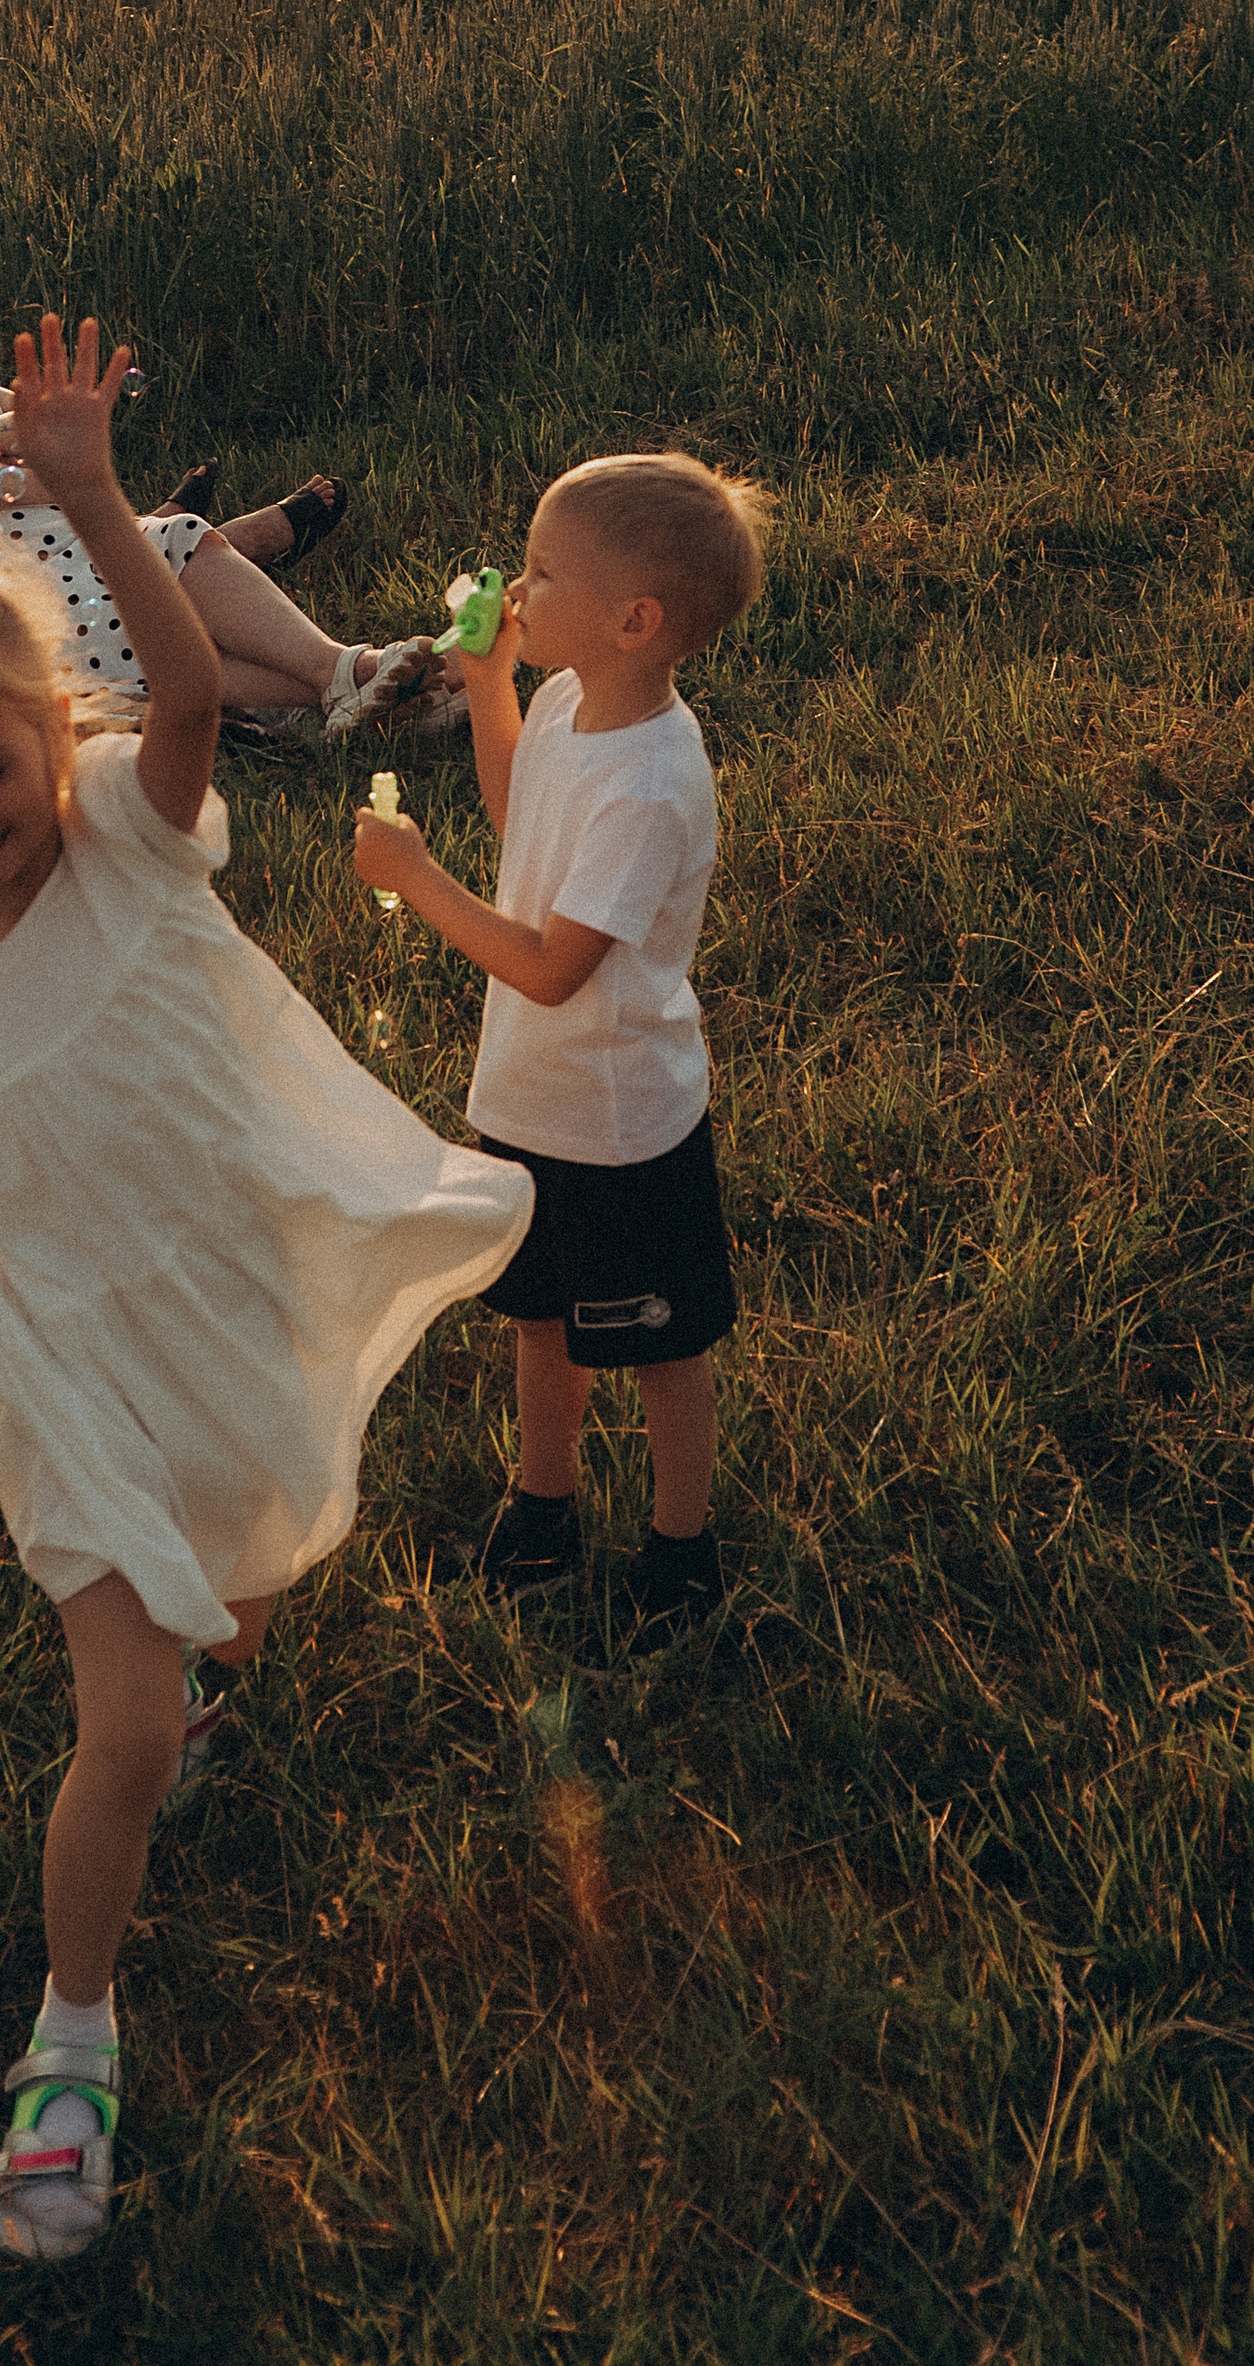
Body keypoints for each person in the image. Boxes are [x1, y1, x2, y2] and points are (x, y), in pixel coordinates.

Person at [0, 320, 532, 2263]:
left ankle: (213, 1653)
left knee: (239, 1552)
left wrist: (86, 493)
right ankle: (67, 2044)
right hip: (65, 1346)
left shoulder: (138, 846)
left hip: (219, 1287)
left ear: (41, 730)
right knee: (132, 1721)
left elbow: (181, 675)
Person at [352, 452, 770, 1640]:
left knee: (658, 1341)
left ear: (634, 620)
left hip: (621, 1117)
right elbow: (516, 808)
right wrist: (491, 683)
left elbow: (549, 967)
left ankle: (680, 1547)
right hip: (534, 1101)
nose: (515, 586)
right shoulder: (574, 705)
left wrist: (417, 880)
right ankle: (546, 1500)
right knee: (542, 1315)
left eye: (541, 571)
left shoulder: (650, 783)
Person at [0, 274, 433, 733]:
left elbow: (66, 437)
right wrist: (18, 454)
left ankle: (341, 678)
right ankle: (360, 678)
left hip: (81, 527)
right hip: (8, 569)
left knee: (180, 534)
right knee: (129, 623)